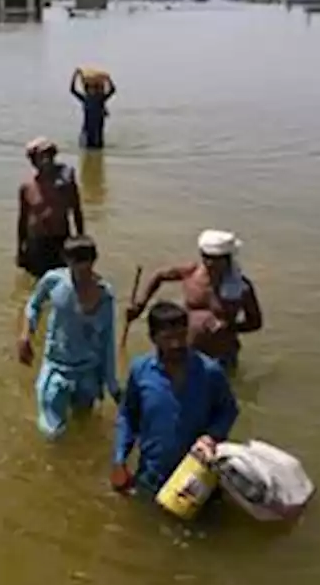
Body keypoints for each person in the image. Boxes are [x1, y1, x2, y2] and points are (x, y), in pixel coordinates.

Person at [111, 301, 240, 494]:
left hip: (197, 475)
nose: (177, 344)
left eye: (181, 336)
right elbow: (127, 416)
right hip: (152, 475)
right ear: (153, 338)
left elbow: (228, 410)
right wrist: (119, 460)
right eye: (168, 338)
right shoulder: (141, 371)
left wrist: (211, 436)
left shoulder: (209, 371)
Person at [16, 236, 119, 439]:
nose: (82, 267)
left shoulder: (105, 295)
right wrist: (25, 335)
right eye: (76, 260)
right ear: (66, 259)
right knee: (52, 433)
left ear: (95, 259)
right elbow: (34, 305)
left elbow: (108, 342)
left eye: (86, 260)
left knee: (84, 426)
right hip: (57, 367)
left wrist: (112, 384)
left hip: (88, 370)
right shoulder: (53, 281)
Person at [125, 229, 263, 370]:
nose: (209, 263)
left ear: (228, 259)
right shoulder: (191, 273)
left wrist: (229, 326)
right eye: (205, 257)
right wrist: (140, 305)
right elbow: (159, 276)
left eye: (215, 259)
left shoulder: (241, 287)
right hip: (187, 351)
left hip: (221, 355)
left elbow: (256, 322)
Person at [17, 137, 85, 279]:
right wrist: (20, 249)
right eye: (41, 156)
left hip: (60, 241)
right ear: (33, 160)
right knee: (36, 286)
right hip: (36, 243)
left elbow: (77, 211)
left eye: (49, 155)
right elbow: (22, 219)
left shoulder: (66, 183)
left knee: (63, 284)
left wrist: (81, 242)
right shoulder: (27, 186)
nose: (46, 160)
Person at [69, 69, 116, 149]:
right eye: (90, 88)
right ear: (87, 89)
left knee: (97, 148)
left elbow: (112, 90)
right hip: (87, 129)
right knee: (85, 148)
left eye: (94, 87)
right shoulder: (85, 99)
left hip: (97, 129)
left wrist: (108, 79)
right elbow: (72, 90)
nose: (92, 89)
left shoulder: (101, 99)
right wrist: (75, 76)